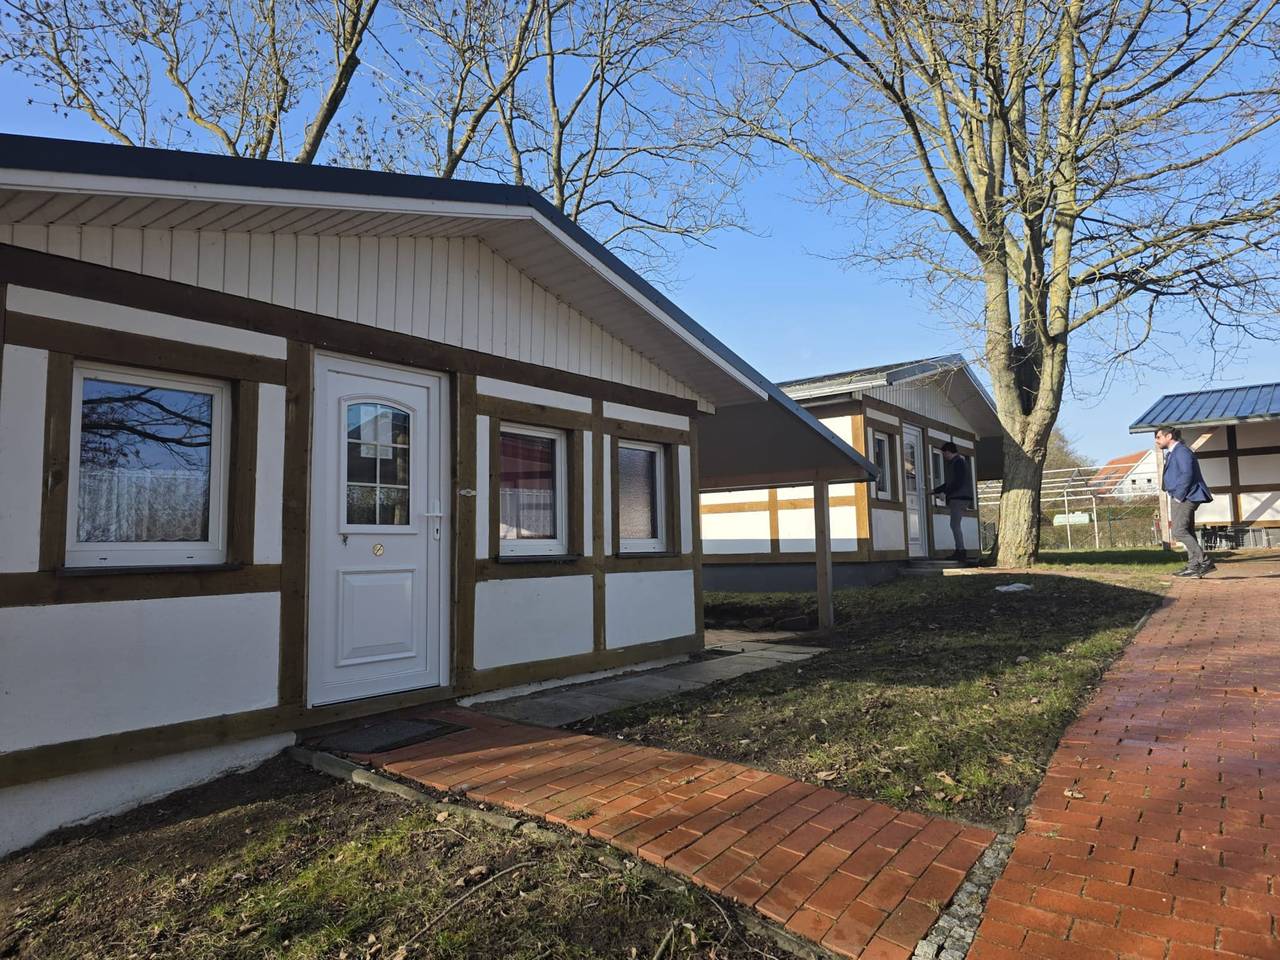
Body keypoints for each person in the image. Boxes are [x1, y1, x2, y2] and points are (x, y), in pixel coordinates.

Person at [1155, 426, 1215, 578]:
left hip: (1185, 496)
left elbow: (1187, 473)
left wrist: (1179, 496)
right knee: (1187, 531)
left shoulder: (1181, 451)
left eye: (1158, 437)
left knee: (1178, 531)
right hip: (1183, 496)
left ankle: (1205, 561)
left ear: (1169, 436)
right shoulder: (1174, 452)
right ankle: (1193, 566)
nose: (1156, 441)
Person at [931, 441, 973, 562]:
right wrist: (935, 490)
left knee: (954, 524)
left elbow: (957, 482)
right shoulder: (960, 462)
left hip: (959, 498)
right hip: (962, 497)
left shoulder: (958, 462)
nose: (944, 457)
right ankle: (960, 550)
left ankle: (960, 551)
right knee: (955, 524)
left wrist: (945, 492)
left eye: (944, 454)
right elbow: (951, 482)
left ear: (948, 452)